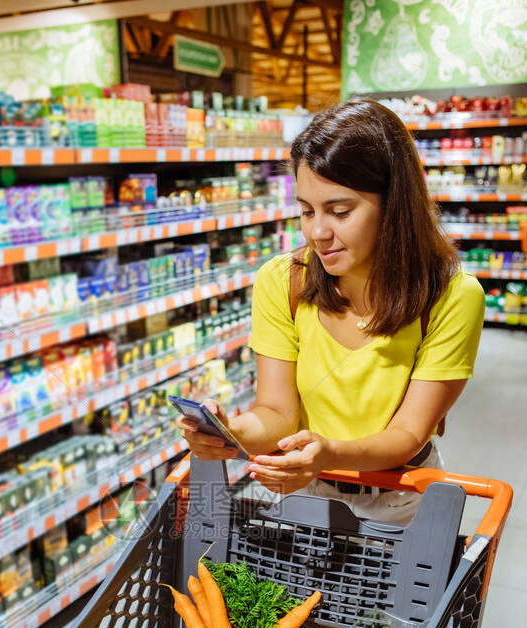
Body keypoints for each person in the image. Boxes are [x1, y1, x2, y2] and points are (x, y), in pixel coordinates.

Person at [176, 99, 485, 523]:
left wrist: (329, 454)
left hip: (403, 497)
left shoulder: (451, 297)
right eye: (306, 211)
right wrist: (230, 432)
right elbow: (277, 415)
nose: (318, 233)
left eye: (339, 211)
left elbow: (408, 434)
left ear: (394, 205)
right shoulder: (282, 282)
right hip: (312, 493)